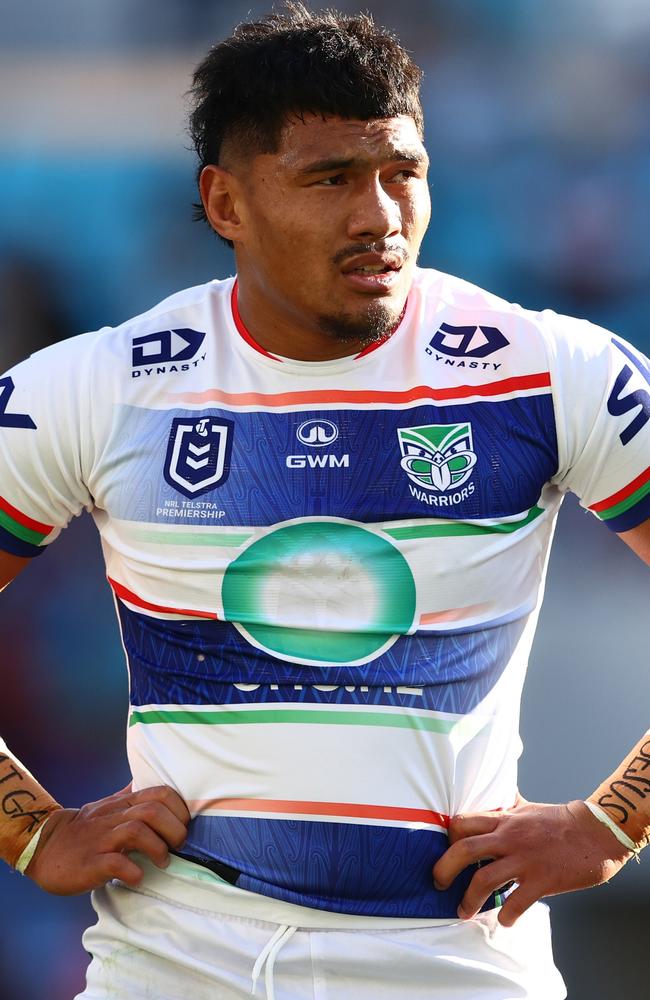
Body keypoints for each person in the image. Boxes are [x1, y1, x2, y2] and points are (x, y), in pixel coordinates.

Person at [0, 4, 648, 998]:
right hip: (174, 964)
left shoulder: (545, 372)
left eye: (403, 173)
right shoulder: (103, 386)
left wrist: (611, 821)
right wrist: (30, 826)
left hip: (447, 967)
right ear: (224, 204)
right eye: (330, 179)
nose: (379, 217)